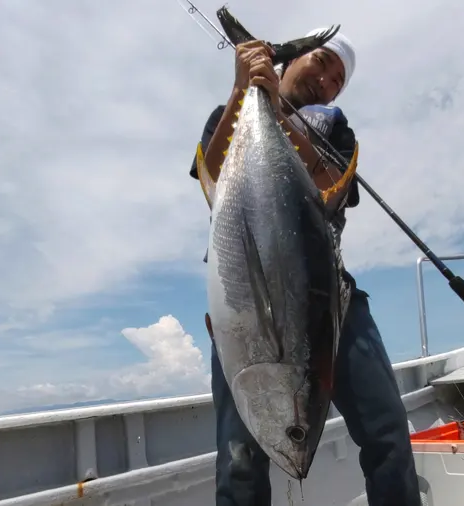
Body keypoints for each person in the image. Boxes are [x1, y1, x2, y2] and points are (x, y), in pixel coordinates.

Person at [189, 28, 421, 506]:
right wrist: (243, 91)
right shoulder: (229, 112)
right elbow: (211, 179)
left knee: (388, 431)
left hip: (329, 298)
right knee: (239, 457)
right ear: (288, 64)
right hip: (245, 301)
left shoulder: (335, 128)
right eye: (321, 62)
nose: (326, 81)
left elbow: (335, 182)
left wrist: (277, 111)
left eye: (338, 80)